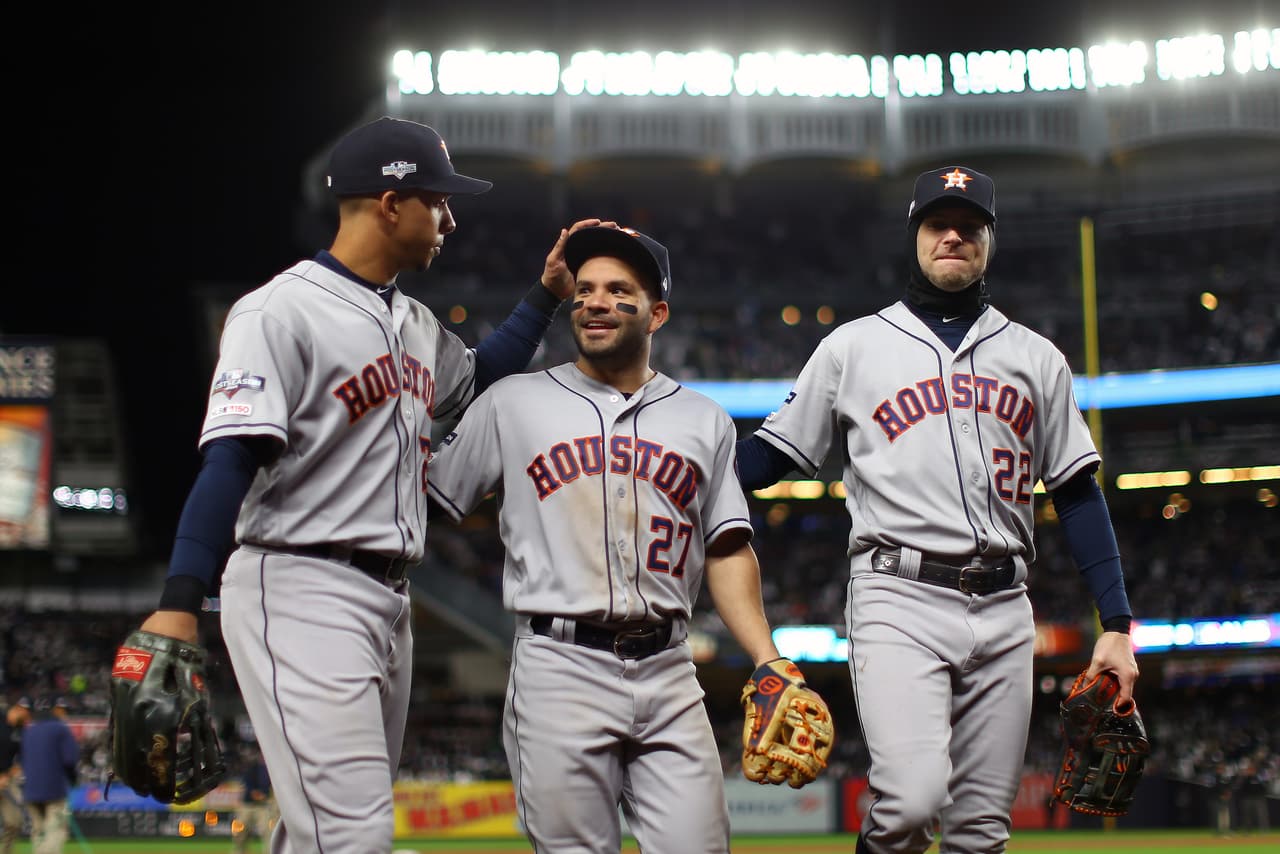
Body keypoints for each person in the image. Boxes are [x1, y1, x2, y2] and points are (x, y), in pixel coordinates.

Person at [126, 115, 608, 852]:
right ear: (390, 203)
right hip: (300, 583)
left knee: (317, 830)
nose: (450, 217)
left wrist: (544, 296)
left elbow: (478, 376)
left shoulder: (412, 321)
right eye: (437, 200)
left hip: (389, 597)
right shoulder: (278, 311)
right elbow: (230, 460)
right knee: (353, 835)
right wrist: (178, 604)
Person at [735, 166, 1139, 853]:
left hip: (1008, 604)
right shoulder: (853, 346)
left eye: (969, 225)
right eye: (937, 224)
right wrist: (677, 469)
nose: (953, 235)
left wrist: (1118, 624)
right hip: (898, 594)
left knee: (982, 831)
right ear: (916, 237)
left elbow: (1075, 490)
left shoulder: (1036, 358)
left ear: (988, 240)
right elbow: (767, 461)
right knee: (910, 801)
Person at [426, 225, 804, 852]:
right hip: (557, 665)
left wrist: (768, 658)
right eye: (585, 289)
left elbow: (727, 547)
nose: (595, 301)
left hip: (670, 667)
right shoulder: (513, 402)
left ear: (657, 313)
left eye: (618, 290)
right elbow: (428, 500)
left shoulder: (702, 417)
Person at [17, 698, 78, 854]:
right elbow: (69, 759)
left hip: (30, 791)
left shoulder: (29, 731)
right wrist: (73, 779)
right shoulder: (60, 729)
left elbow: (22, 761)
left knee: (38, 831)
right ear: (57, 711)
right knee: (55, 831)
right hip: (54, 790)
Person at [232, 746, 277, 853]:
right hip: (247, 804)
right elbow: (247, 783)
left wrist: (264, 795)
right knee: (240, 831)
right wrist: (255, 793)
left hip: (262, 806)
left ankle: (269, 852)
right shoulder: (253, 766)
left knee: (267, 831)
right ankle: (240, 851)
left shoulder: (271, 770)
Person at [0, 699, 30, 854]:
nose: (27, 715)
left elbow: (22, 758)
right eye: (24, 711)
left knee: (15, 821)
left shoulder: (21, 730)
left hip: (6, 780)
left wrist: (9, 773)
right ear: (17, 708)